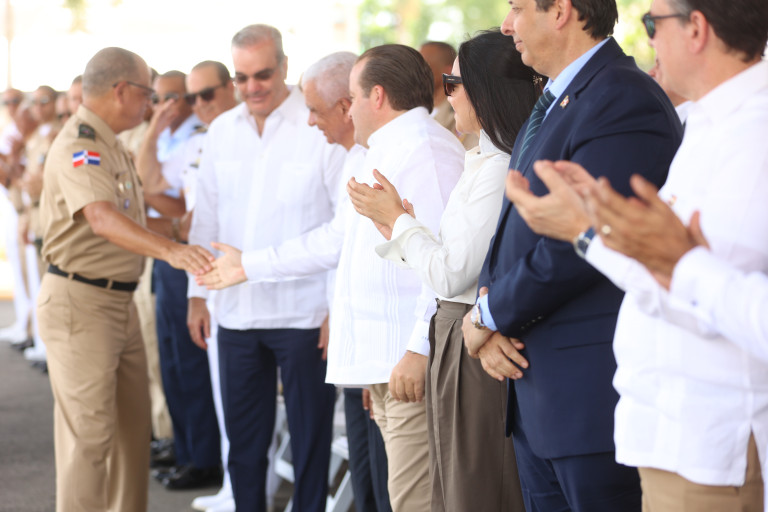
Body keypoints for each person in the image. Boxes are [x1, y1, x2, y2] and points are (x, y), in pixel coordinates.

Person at [504, 0, 768, 508]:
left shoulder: (754, 134)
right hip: (668, 436)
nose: (647, 40)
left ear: (696, 29)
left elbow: (697, 285)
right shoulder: (709, 123)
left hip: (714, 445)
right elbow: (659, 270)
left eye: (653, 23)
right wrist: (585, 229)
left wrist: (680, 263)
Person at [460, 0, 683, 510]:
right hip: (538, 394)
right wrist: (487, 319)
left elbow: (581, 242)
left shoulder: (622, 97)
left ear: (560, 11)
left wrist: (488, 315)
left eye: (517, 8)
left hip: (591, 402)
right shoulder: (556, 99)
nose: (506, 25)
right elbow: (510, 232)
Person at [347, 29, 534, 511]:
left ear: (484, 90)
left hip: (464, 332)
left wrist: (399, 221)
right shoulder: (479, 161)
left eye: (453, 83)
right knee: (450, 490)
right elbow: (443, 262)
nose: (445, 95)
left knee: (470, 490)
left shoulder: (495, 167)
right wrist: (401, 226)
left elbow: (451, 275)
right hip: (453, 332)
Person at [36, 46, 214, 512]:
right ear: (121, 91)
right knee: (89, 438)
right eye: (147, 94)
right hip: (81, 302)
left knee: (131, 435)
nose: (151, 103)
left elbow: (127, 218)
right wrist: (174, 252)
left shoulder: (111, 141)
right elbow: (101, 219)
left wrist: (175, 229)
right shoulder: (81, 144)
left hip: (117, 301)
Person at [186, 24, 345, 512]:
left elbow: (342, 228)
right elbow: (206, 217)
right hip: (235, 311)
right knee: (243, 444)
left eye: (263, 74)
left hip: (305, 313)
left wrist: (335, 308)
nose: (252, 86)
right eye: (241, 77)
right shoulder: (221, 130)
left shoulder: (317, 123)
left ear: (284, 66)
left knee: (311, 441)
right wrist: (197, 293)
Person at [136, 69, 222, 491]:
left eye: (176, 97)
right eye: (157, 99)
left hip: (204, 257)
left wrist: (184, 222)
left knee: (192, 363)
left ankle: (203, 458)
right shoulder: (185, 140)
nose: (166, 106)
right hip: (175, 253)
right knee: (172, 361)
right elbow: (149, 184)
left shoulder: (208, 134)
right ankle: (188, 451)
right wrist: (154, 127)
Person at [419, 41, 479, 150]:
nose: (417, 72)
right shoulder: (415, 110)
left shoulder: (466, 112)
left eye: (424, 66)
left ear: (448, 71)